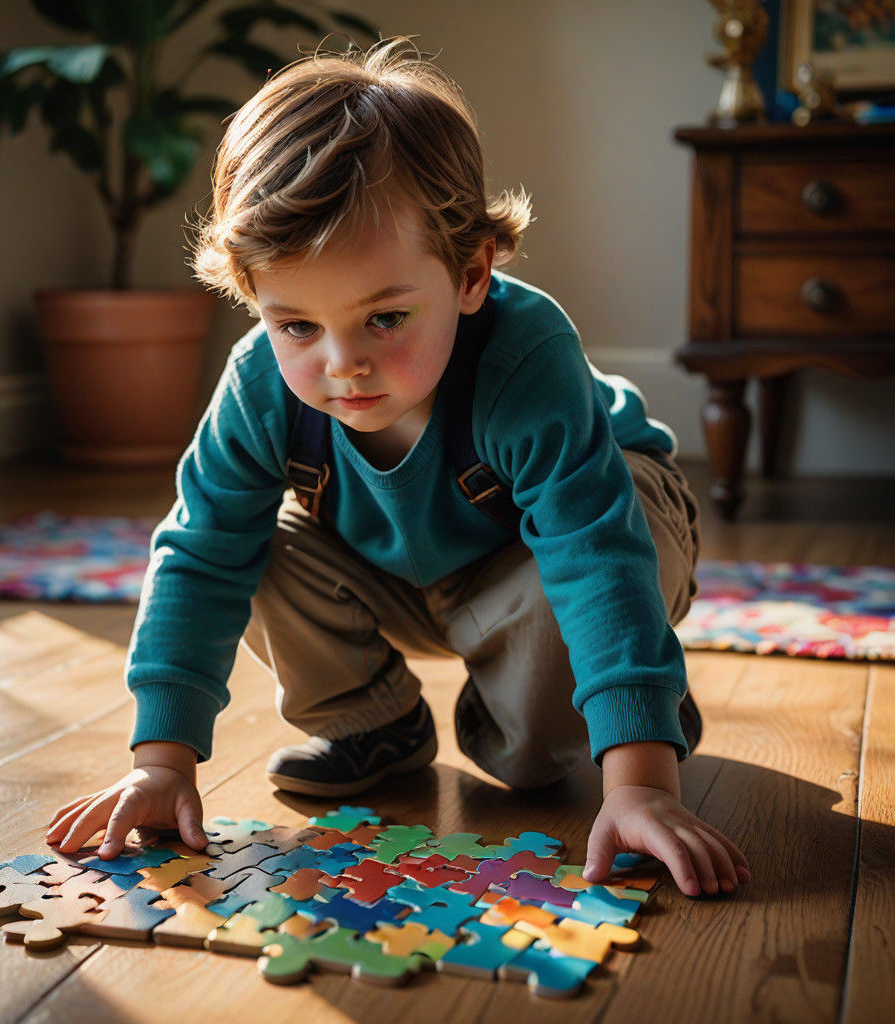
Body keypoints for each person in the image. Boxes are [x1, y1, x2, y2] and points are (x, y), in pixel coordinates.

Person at [46, 36, 750, 899]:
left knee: (528, 762)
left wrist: (639, 781)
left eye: (383, 319)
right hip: (392, 568)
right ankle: (371, 723)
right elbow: (197, 555)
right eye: (296, 324)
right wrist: (160, 761)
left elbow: (594, 552)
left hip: (569, 552)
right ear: (252, 298)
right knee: (242, 539)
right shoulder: (260, 386)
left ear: (470, 271)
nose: (342, 363)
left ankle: (633, 708)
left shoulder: (525, 359)